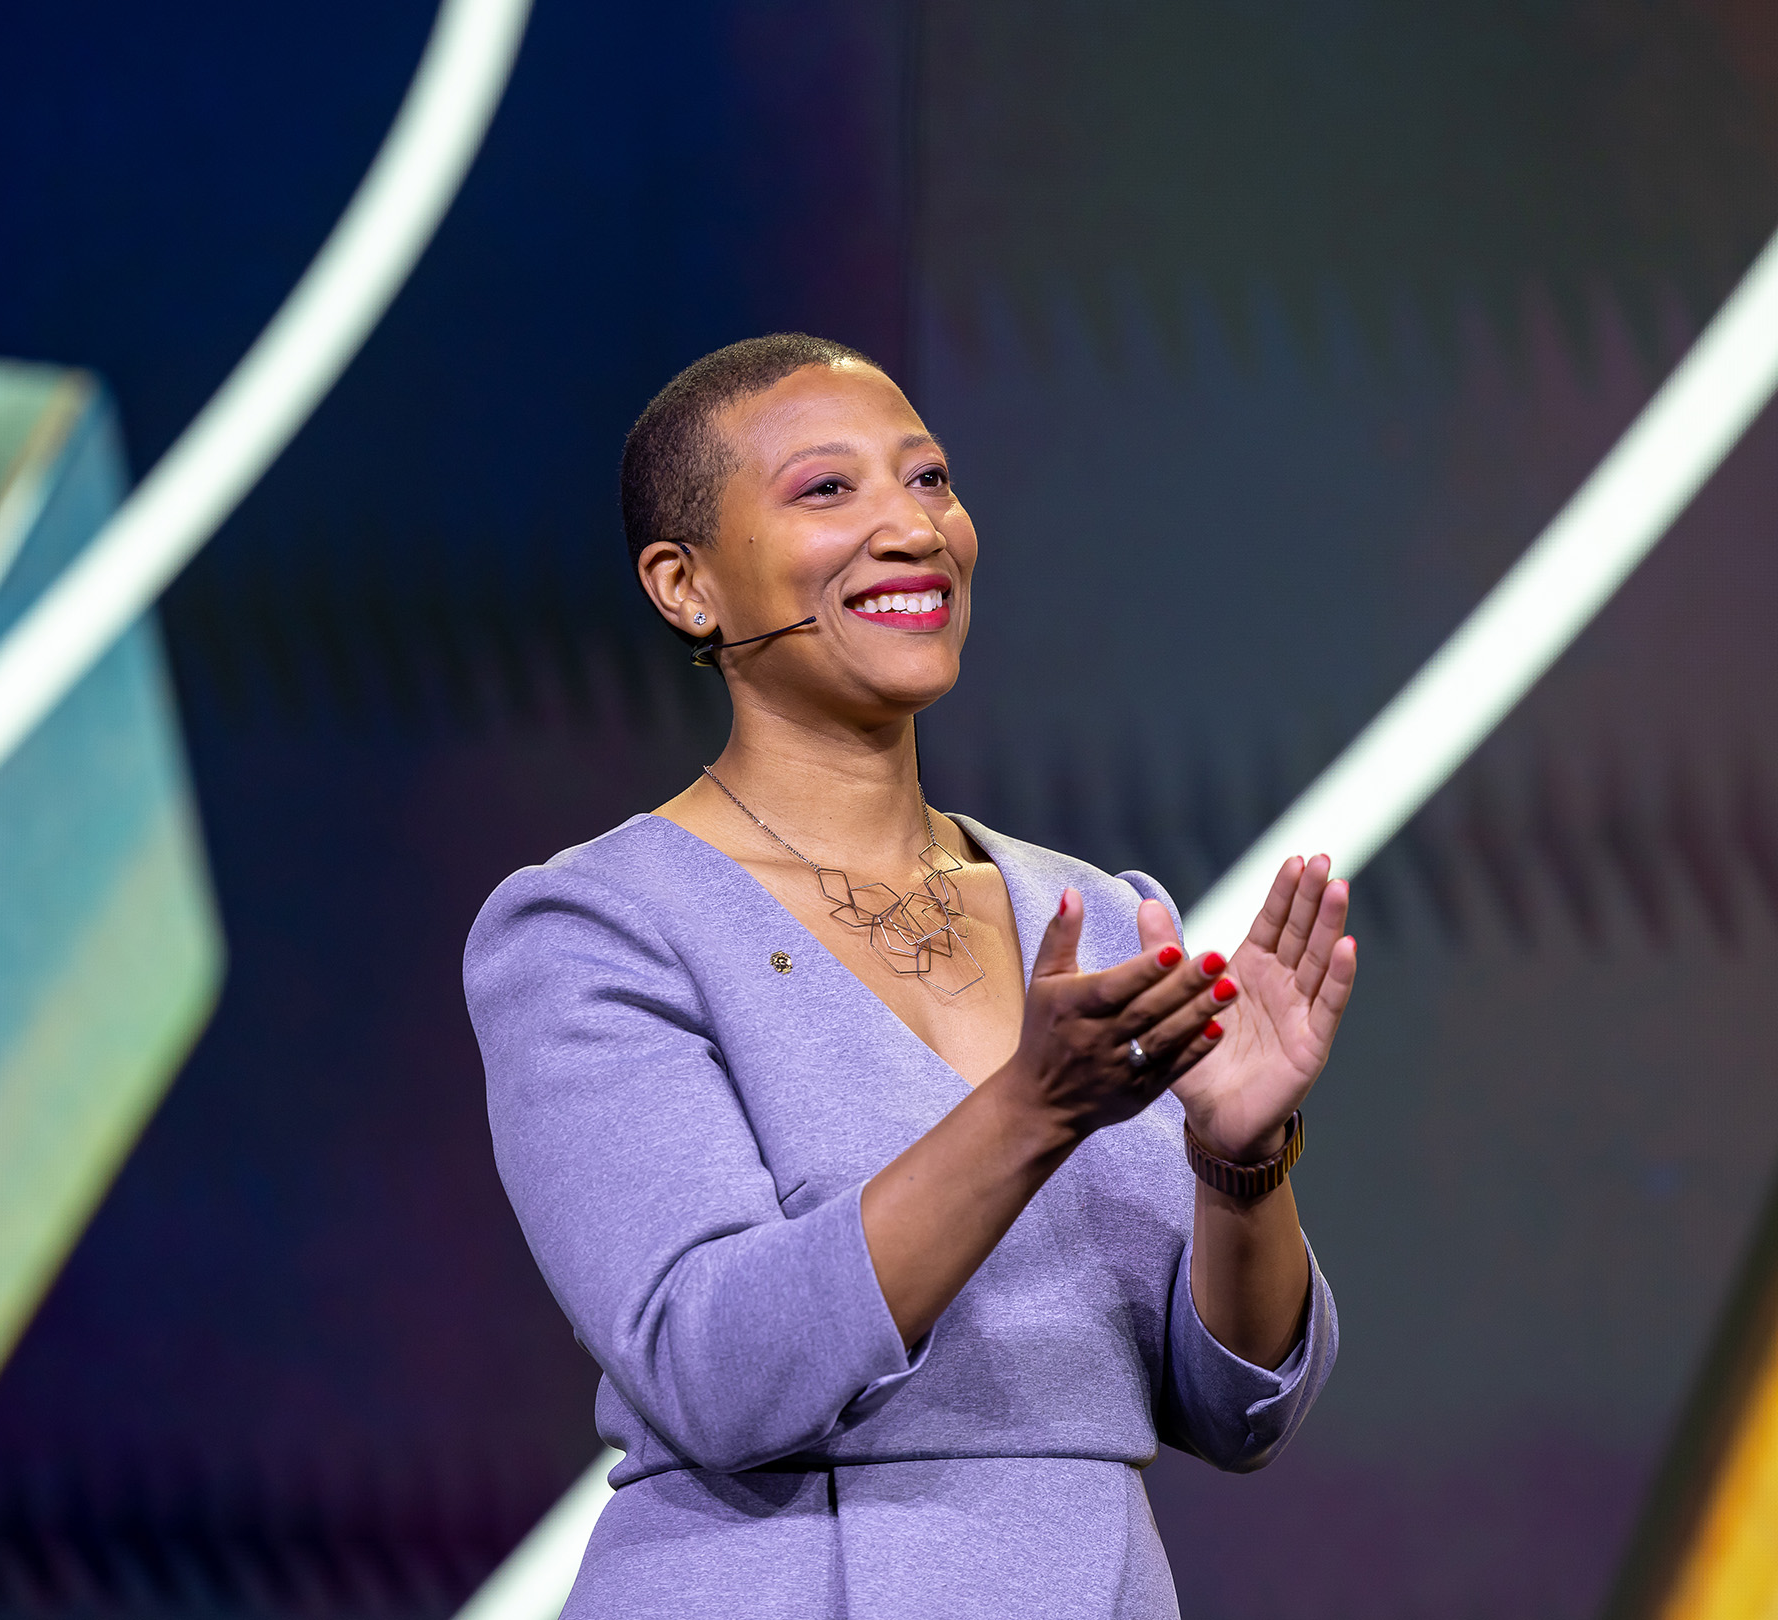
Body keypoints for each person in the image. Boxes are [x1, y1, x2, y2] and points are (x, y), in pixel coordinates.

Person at [464, 334, 1357, 1618]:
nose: (909, 526)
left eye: (929, 480)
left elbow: (1236, 1407)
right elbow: (710, 1367)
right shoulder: (596, 929)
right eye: (827, 491)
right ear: (685, 585)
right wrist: (1029, 1107)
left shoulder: (1101, 918)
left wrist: (1240, 1159)